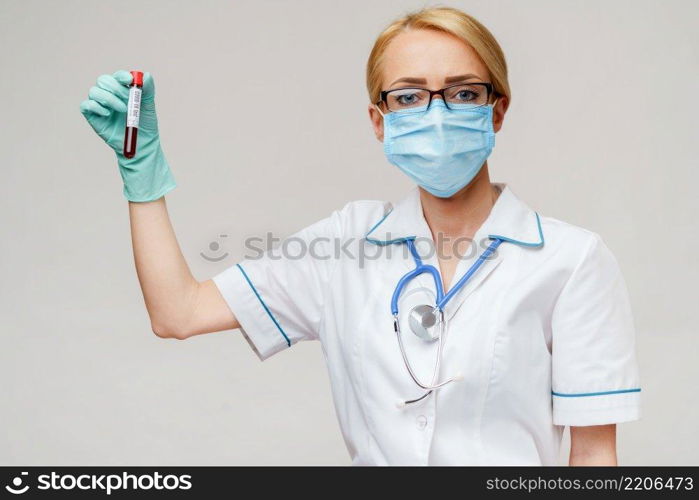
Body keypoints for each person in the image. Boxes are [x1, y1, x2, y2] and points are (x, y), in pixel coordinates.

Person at [79, 6, 641, 466]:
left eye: (464, 93)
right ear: (379, 120)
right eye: (409, 96)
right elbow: (178, 313)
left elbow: (593, 458)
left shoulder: (572, 261)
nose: (437, 113)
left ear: (497, 111)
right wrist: (142, 175)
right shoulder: (344, 244)